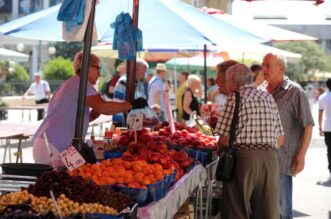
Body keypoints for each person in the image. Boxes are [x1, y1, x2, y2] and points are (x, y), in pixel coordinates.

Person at [32, 51, 132, 166]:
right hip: (53, 145)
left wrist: (89, 117)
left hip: (54, 143)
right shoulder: (81, 83)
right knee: (66, 179)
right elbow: (104, 107)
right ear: (87, 67)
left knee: (78, 175)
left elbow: (65, 115)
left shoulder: (72, 83)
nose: (99, 74)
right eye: (98, 69)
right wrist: (129, 104)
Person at [215, 63, 284, 219]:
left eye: (226, 80)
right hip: (270, 160)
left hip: (243, 159)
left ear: (233, 80)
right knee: (267, 212)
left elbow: (225, 140)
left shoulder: (235, 97)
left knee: (236, 209)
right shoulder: (268, 97)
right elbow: (280, 139)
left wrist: (219, 149)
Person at [262, 53, 314, 219]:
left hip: (281, 161)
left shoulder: (294, 91)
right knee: (262, 208)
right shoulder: (261, 90)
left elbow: (308, 125)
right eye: (263, 65)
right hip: (259, 160)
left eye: (267, 65)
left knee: (283, 210)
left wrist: (301, 155)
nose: (264, 69)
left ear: (281, 68)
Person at [113, 58, 149, 127]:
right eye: (142, 72)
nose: (144, 75)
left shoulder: (138, 83)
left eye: (145, 73)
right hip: (122, 123)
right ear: (135, 69)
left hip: (133, 122)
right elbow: (123, 105)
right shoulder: (125, 82)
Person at [318, 78, 331, 182]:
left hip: (327, 128)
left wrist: (320, 128)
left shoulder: (322, 97)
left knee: (329, 151)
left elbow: (320, 115)